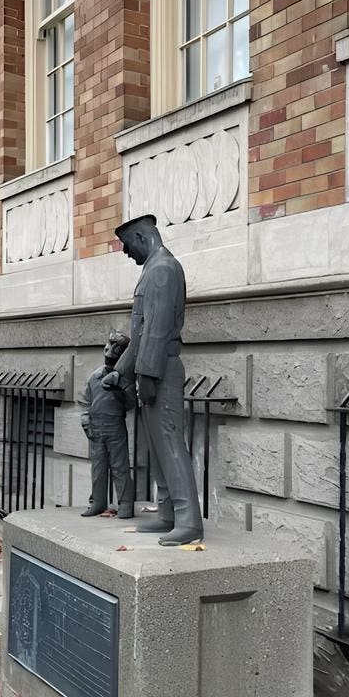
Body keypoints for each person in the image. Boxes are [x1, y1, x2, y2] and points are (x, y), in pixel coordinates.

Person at [103, 213, 203, 547]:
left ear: (143, 237)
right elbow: (142, 333)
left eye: (127, 244)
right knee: (158, 449)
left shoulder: (162, 271)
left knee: (171, 446)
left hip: (160, 369)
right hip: (151, 367)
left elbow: (157, 332)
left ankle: (188, 521)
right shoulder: (154, 270)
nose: (126, 253)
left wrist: (144, 374)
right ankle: (166, 513)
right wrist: (122, 372)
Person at [79, 330, 136, 520]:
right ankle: (97, 502)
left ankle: (126, 504)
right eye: (109, 346)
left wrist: (120, 389)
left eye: (114, 348)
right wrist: (86, 420)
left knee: (120, 467)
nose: (109, 350)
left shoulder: (125, 380)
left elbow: (131, 405)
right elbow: (85, 401)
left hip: (115, 426)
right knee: (98, 467)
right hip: (96, 427)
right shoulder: (94, 376)